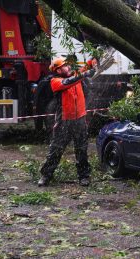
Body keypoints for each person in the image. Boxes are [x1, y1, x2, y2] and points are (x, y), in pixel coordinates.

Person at [38, 57, 97, 187]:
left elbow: (83, 70)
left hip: (80, 120)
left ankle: (84, 176)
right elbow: (70, 81)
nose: (69, 67)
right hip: (64, 121)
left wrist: (92, 61)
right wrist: (83, 75)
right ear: (58, 70)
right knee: (56, 150)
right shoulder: (55, 81)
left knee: (81, 149)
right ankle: (45, 175)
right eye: (65, 66)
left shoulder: (75, 75)